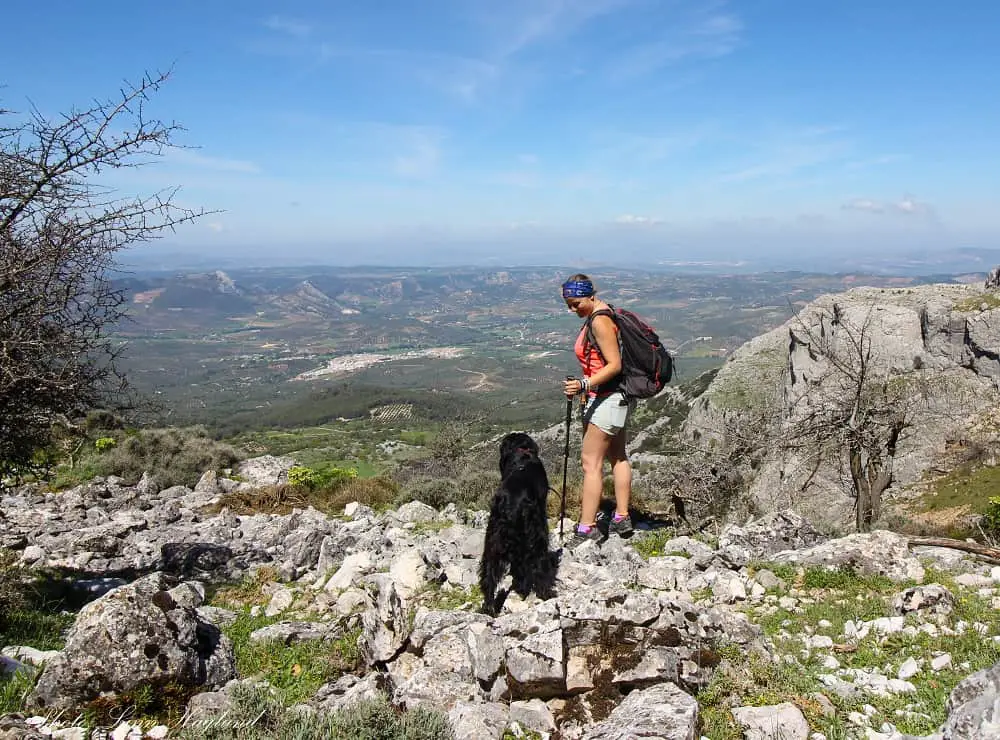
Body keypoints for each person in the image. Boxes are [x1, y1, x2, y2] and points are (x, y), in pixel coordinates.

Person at [560, 274, 635, 547]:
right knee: (618, 457)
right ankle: (621, 517)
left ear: (590, 295)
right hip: (616, 398)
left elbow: (614, 364)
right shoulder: (604, 313)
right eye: (568, 304)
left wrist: (583, 384)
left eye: (576, 303)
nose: (572, 309)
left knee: (590, 464)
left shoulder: (600, 320)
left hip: (607, 398)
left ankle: (587, 528)